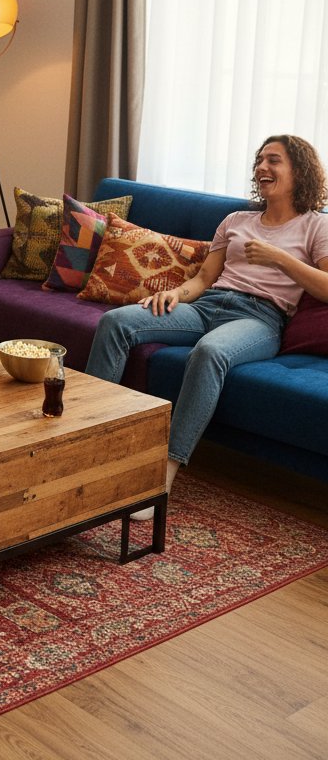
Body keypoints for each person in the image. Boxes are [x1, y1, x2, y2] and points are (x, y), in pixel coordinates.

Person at [85, 135, 328, 515]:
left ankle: (162, 474)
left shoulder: (316, 227)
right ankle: (88, 439)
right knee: (116, 322)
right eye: (260, 160)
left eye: (275, 161)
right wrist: (175, 294)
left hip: (260, 318)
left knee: (210, 352)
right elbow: (203, 280)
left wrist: (280, 259)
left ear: (299, 171)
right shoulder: (236, 220)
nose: (263, 167)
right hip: (206, 306)